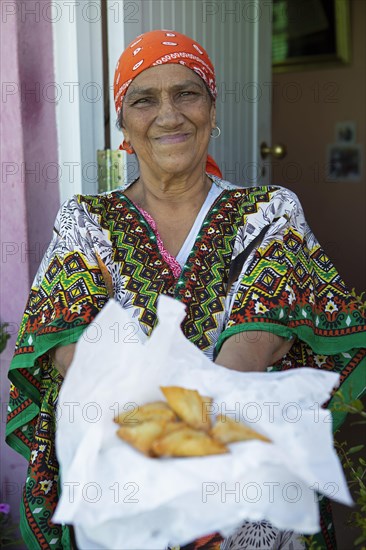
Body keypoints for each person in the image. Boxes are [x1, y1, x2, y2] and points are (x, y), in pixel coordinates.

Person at [6, 30, 365, 550]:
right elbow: (67, 343)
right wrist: (155, 444)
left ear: (212, 110)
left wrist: (192, 446)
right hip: (130, 481)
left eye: (187, 93)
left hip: (241, 486)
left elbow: (258, 338)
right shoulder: (85, 219)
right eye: (144, 99)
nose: (169, 114)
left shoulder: (270, 212)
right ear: (123, 123)